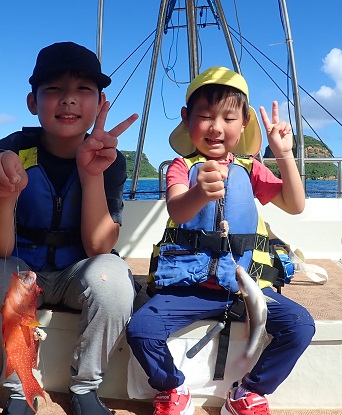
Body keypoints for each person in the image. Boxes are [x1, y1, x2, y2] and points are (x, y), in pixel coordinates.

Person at [125, 66, 315, 415]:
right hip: (188, 289)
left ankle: (249, 391)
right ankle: (172, 387)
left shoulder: (251, 169)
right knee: (141, 329)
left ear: (243, 124)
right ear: (187, 119)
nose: (216, 127)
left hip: (245, 287)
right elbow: (179, 209)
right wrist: (200, 191)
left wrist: (283, 154)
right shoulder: (181, 167)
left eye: (228, 118)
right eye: (205, 116)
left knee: (300, 325)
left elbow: (295, 204)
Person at [0, 41, 139, 415]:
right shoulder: (12, 152)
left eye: (83, 90)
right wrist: (4, 196)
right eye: (54, 89)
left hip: (79, 271)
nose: (69, 99)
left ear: (100, 103)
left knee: (114, 278)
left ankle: (85, 388)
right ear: (33, 102)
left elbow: (99, 247)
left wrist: (92, 175)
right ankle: (19, 388)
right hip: (24, 271)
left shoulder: (110, 158)